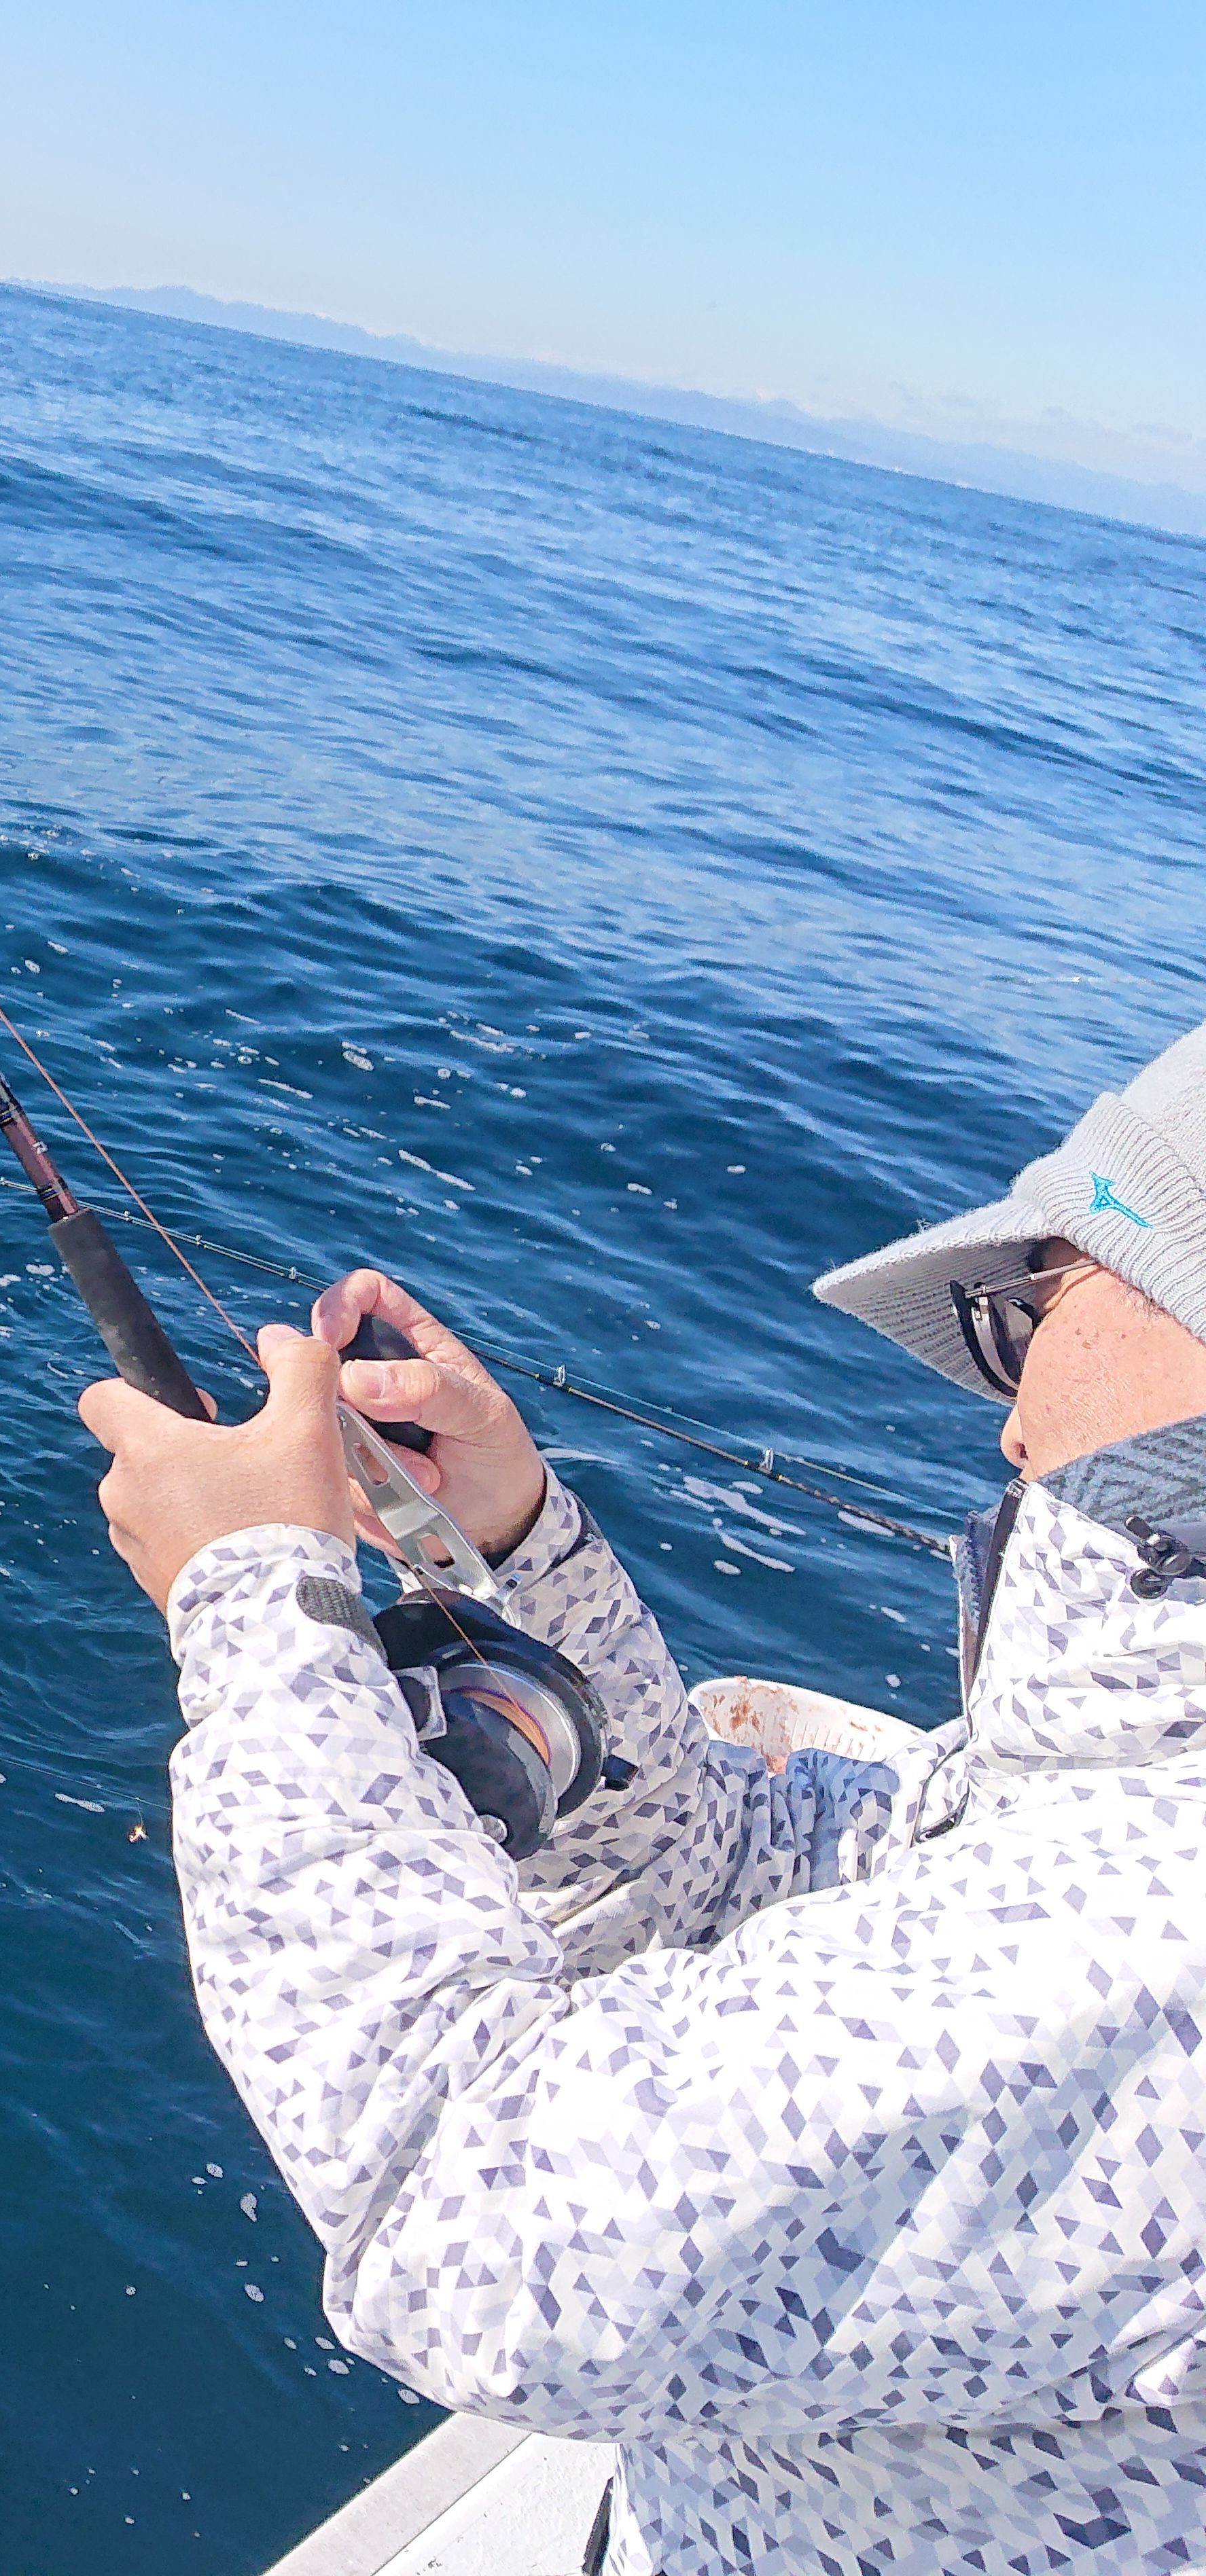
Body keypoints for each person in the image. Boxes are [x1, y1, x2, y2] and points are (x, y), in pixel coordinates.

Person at [77, 1022, 1206, 2572]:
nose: (1004, 1422)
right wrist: (509, 1547)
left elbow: (475, 2219)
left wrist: (258, 1606)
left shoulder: (1154, 1961)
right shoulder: (1125, 1776)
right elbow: (774, 1879)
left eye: (1033, 1304)